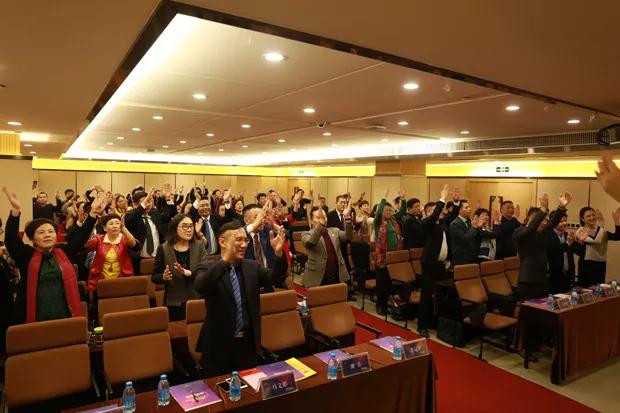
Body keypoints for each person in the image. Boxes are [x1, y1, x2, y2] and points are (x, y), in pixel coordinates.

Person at [193, 221, 287, 377]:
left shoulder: (251, 267)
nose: (244, 245)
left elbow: (276, 279)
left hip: (247, 345)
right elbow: (201, 287)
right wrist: (224, 261)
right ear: (222, 242)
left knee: (249, 387)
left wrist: (278, 253)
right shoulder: (207, 267)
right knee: (218, 388)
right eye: (238, 240)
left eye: (245, 240)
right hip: (217, 346)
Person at [2, 185, 102, 324]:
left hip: (64, 314)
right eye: (41, 232)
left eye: (51, 232)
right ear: (32, 238)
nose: (47, 235)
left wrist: (92, 214)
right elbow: (11, 240)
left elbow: (81, 237)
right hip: (35, 317)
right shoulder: (26, 255)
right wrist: (15, 211)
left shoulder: (63, 251)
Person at [418, 185, 460, 337]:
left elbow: (452, 216)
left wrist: (456, 202)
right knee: (426, 295)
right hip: (429, 264)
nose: (440, 213)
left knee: (442, 292)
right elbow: (434, 216)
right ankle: (422, 325)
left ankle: (436, 321)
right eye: (435, 211)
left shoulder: (442, 224)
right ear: (428, 212)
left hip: (441, 265)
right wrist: (442, 198)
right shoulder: (426, 224)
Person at [513, 193, 571, 300]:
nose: (544, 222)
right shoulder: (519, 232)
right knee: (528, 308)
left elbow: (553, 223)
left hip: (543, 278)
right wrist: (543, 210)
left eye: (545, 220)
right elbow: (530, 229)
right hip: (528, 280)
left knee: (543, 307)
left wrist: (561, 207)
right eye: (542, 219)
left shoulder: (541, 232)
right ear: (531, 218)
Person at [152, 214, 208, 321]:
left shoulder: (199, 245)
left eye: (191, 226)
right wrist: (163, 277)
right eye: (185, 226)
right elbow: (154, 277)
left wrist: (190, 274)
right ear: (175, 228)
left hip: (197, 299)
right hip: (174, 302)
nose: (189, 230)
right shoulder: (164, 248)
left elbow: (205, 271)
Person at [124, 187, 176, 273]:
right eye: (145, 202)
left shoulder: (155, 214)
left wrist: (168, 199)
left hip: (157, 258)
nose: (147, 204)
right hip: (138, 260)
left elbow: (170, 214)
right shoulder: (130, 216)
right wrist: (145, 201)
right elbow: (133, 217)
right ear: (135, 204)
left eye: (149, 201)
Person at [83, 213, 137, 292]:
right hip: (101, 281)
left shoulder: (125, 239)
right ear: (105, 228)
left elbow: (134, 244)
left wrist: (124, 228)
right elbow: (86, 244)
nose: (115, 226)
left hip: (123, 279)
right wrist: (90, 226)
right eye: (111, 224)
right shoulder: (99, 239)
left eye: (117, 223)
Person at [373, 189, 407, 315]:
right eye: (385, 210)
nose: (388, 212)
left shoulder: (393, 220)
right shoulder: (378, 222)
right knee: (381, 283)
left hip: (393, 257)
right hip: (382, 257)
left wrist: (403, 199)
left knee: (388, 283)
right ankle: (380, 305)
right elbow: (378, 213)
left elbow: (403, 211)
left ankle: (386, 302)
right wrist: (384, 197)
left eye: (389, 210)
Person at [301, 204, 352, 288]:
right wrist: (320, 224)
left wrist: (347, 218)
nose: (323, 219)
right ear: (311, 220)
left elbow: (348, 236)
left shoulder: (334, 230)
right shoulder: (306, 234)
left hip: (337, 277)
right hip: (317, 279)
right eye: (318, 217)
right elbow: (311, 242)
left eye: (324, 217)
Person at [573, 207, 620, 286]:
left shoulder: (601, 230)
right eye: (588, 216)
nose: (592, 218)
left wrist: (616, 221)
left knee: (599, 289)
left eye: (593, 215)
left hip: (600, 265)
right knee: (585, 289)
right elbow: (595, 241)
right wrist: (601, 226)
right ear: (582, 219)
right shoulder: (580, 231)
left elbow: (617, 237)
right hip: (586, 266)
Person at [545, 211, 575, 294]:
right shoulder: (548, 235)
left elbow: (572, 255)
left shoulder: (567, 235)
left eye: (565, 220)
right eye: (561, 221)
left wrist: (581, 242)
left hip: (567, 276)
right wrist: (567, 243)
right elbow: (554, 252)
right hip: (553, 276)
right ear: (553, 222)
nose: (564, 223)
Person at [449, 200, 486, 265]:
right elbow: (466, 239)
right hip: (461, 258)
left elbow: (475, 237)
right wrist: (474, 227)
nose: (469, 209)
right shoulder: (455, 224)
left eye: (469, 207)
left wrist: (479, 227)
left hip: (473, 256)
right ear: (459, 210)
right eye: (466, 208)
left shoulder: (469, 221)